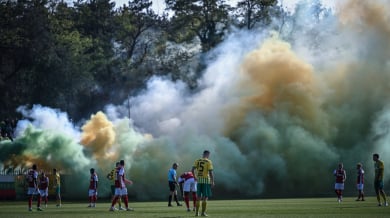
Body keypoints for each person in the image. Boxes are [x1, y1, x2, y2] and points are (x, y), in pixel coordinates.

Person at [192, 150, 214, 217]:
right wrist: (212, 181)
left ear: (203, 154)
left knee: (198, 197)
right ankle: (203, 213)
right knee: (205, 197)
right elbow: (210, 172)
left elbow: (192, 170)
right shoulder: (208, 161)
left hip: (199, 181)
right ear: (207, 154)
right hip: (206, 181)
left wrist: (195, 177)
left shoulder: (197, 160)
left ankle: (196, 213)